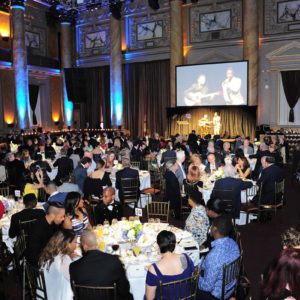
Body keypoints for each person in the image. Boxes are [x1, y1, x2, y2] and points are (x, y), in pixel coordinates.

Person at [69, 230, 133, 300]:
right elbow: (124, 289)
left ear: (84, 246)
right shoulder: (114, 260)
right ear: (97, 244)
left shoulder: (73, 266)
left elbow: (76, 292)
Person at [197, 216, 240, 300]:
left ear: (215, 229)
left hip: (217, 295)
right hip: (231, 287)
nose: (210, 227)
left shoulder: (214, 256)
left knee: (188, 283)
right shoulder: (233, 243)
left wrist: (196, 276)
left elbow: (207, 287)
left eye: (211, 225)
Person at [145, 230, 195, 300]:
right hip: (185, 297)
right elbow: (191, 276)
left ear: (158, 245)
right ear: (174, 244)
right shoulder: (185, 258)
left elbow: (149, 298)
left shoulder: (154, 269)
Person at [39, 229, 77, 300]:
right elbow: (75, 279)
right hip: (56, 296)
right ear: (68, 244)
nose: (77, 244)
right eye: (75, 242)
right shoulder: (63, 260)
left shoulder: (51, 254)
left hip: (44, 294)